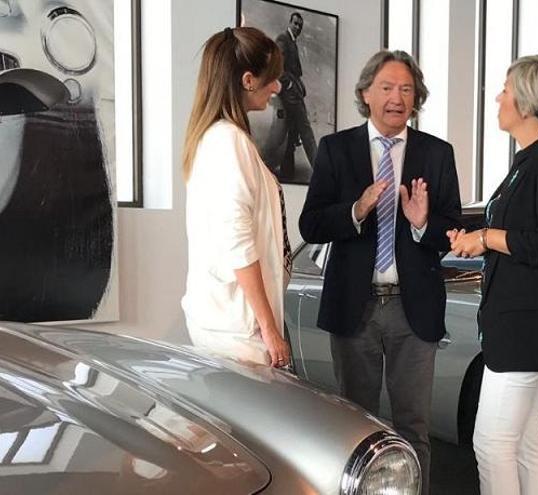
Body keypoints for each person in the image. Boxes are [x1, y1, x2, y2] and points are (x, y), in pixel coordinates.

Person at [298, 50, 461, 494]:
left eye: (406, 89)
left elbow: (455, 230)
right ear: (366, 93)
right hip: (356, 306)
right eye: (387, 87)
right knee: (354, 427)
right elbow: (310, 224)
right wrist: (356, 209)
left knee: (414, 428)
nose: (397, 98)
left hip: (415, 310)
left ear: (417, 98)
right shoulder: (336, 149)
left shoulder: (437, 153)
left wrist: (423, 223)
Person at [448, 53, 538, 495]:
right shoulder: (532, 160)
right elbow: (526, 232)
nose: (498, 97)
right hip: (519, 328)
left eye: (505, 89)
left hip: (527, 330)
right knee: (526, 445)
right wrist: (476, 235)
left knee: (491, 444)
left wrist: (487, 237)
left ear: (525, 102)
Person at [180, 27, 292, 369]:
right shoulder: (229, 141)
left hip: (226, 322)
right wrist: (269, 329)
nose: (276, 88)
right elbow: (237, 242)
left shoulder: (214, 138)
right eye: (271, 79)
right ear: (247, 80)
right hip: (239, 331)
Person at [276, 12, 317, 178]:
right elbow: (276, 64)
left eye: (300, 25)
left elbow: (296, 69)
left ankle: (287, 171)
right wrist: (288, 83)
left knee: (293, 133)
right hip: (290, 93)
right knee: (305, 129)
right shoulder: (283, 39)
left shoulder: (292, 41)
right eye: (295, 23)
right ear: (290, 22)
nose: (298, 27)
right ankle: (321, 171)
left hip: (294, 90)